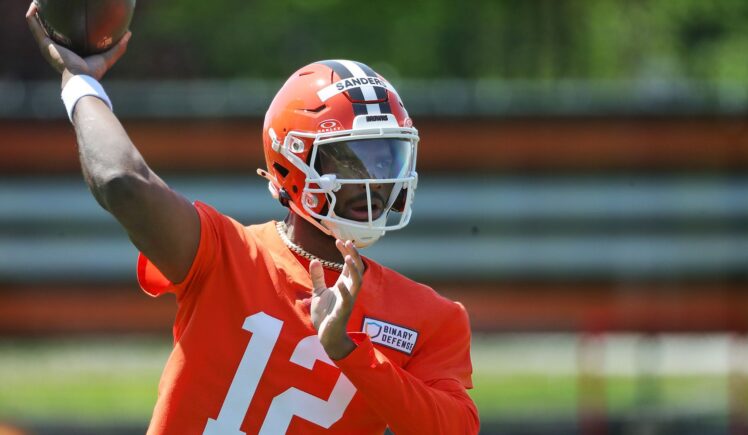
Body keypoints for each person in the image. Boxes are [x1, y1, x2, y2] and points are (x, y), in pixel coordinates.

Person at [26, 3, 479, 434]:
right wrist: (80, 84)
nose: (376, 181)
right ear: (291, 161)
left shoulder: (432, 318)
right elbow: (120, 180)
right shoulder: (225, 255)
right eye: (351, 159)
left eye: (386, 159)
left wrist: (348, 351)